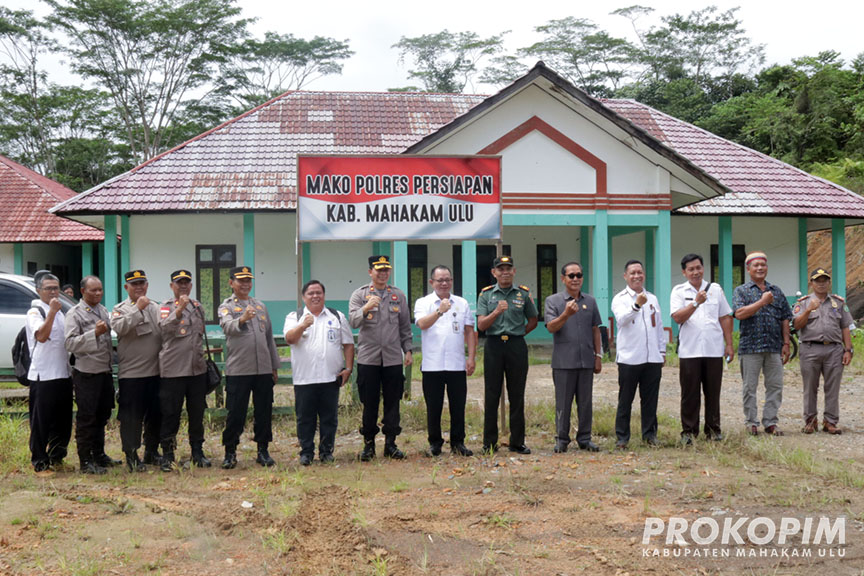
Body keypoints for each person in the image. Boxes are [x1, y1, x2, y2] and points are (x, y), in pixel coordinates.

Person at [349, 255, 413, 461]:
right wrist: (365, 308)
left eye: (386, 270)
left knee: (393, 401)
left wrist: (408, 350)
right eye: (379, 270)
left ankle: (391, 444)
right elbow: (352, 321)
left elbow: (404, 326)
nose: (383, 273)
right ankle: (368, 445)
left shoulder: (398, 295)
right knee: (370, 402)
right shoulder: (359, 295)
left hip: (393, 358)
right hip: (369, 359)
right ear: (370, 272)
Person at [283, 280, 354, 465]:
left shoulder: (337, 316)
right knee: (305, 418)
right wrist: (302, 325)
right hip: (304, 378)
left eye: (319, 293)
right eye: (311, 293)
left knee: (329, 418)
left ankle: (326, 451)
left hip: (330, 377)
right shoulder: (294, 316)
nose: (315, 296)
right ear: (303, 297)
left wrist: (348, 368)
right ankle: (306, 452)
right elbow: (290, 339)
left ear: (324, 295)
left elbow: (348, 344)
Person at [219, 266, 281, 469]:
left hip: (262, 369)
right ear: (231, 283)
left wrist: (274, 365)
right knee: (236, 412)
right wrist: (243, 319)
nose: (245, 284)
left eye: (248, 280)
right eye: (240, 280)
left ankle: (263, 450)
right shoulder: (226, 306)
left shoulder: (260, 306)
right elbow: (227, 328)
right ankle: (230, 452)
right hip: (239, 370)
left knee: (264, 411)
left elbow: (269, 338)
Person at [476, 255, 538, 455]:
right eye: (500, 269)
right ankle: (489, 443)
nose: (504, 272)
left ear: (514, 271)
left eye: (508, 268)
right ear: (494, 273)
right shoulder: (486, 295)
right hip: (493, 345)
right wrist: (496, 312)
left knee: (517, 394)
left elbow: (533, 320)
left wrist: (518, 333)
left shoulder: (522, 294)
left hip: (516, 346)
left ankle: (517, 442)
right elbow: (481, 325)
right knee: (492, 394)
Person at [670, 254, 734, 445]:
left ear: (703, 268)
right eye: (691, 269)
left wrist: (729, 344)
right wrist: (696, 302)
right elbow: (678, 318)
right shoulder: (679, 291)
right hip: (690, 351)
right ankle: (688, 432)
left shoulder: (715, 289)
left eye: (698, 267)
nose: (695, 272)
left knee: (713, 392)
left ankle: (713, 430)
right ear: (684, 272)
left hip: (713, 349)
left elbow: (725, 316)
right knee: (689, 394)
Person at [414, 265, 477, 457]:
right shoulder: (423, 302)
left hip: (456, 364)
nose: (444, 283)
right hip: (432, 365)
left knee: (458, 406)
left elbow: (469, 331)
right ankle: (435, 443)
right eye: (440, 280)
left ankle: (458, 442)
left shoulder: (462, 303)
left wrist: (472, 357)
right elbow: (422, 325)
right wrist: (440, 311)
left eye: (447, 280)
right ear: (432, 282)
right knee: (434, 407)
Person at [65, 275, 121, 474]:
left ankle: (99, 454)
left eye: (100, 289)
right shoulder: (75, 314)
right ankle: (85, 461)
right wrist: (93, 334)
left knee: (102, 415)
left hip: (104, 372)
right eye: (93, 290)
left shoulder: (103, 310)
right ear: (83, 292)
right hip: (87, 374)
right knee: (87, 418)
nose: (98, 293)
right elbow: (70, 343)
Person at [732, 252, 794, 436]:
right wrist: (762, 302)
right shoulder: (741, 291)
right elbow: (739, 314)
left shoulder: (777, 291)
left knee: (775, 386)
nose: (760, 268)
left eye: (763, 265)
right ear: (748, 269)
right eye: (756, 265)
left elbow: (785, 318)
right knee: (749, 387)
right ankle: (751, 422)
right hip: (750, 347)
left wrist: (786, 343)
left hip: (774, 347)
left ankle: (771, 422)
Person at [544, 261, 602, 453]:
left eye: (579, 275)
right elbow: (551, 327)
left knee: (585, 403)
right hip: (563, 362)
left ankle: (585, 438)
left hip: (586, 360)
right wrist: (566, 314)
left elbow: (596, 329)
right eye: (571, 276)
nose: (575, 279)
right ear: (563, 279)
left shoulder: (590, 301)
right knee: (563, 402)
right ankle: (562, 439)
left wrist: (598, 355)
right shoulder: (553, 301)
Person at [158, 270, 211, 471]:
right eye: (179, 283)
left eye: (187, 283)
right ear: (172, 285)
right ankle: (168, 455)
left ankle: (197, 452)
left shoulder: (197, 307)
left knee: (197, 414)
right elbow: (163, 329)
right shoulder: (164, 307)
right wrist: (178, 310)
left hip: (196, 370)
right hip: (173, 371)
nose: (183, 286)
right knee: (171, 414)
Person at [111, 269, 163, 471]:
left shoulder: (156, 308)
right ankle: (131, 456)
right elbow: (120, 328)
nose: (139, 287)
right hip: (132, 375)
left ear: (147, 285)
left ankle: (151, 451)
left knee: (156, 416)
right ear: (127, 287)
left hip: (156, 373)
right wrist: (137, 310)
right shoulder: (120, 309)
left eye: (142, 283)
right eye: (134, 284)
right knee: (132, 419)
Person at [611, 260, 665, 449]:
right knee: (625, 399)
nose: (637, 276)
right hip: (629, 358)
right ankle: (622, 438)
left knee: (650, 400)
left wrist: (662, 350)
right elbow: (621, 320)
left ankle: (650, 435)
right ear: (625, 276)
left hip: (652, 358)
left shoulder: (652, 298)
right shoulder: (620, 298)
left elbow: (658, 326)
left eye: (640, 272)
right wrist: (636, 305)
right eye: (632, 273)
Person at [792, 268, 853, 435]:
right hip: (810, 348)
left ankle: (831, 421)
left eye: (824, 280)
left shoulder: (838, 303)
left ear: (829, 282)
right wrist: (808, 310)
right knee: (810, 387)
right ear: (811, 283)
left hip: (834, 349)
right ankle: (810, 421)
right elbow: (796, 325)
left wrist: (848, 350)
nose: (821, 283)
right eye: (817, 280)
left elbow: (845, 327)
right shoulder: (803, 303)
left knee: (832, 387)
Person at [26, 272, 72, 472]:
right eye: (49, 288)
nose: (54, 292)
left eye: (56, 288)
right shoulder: (35, 312)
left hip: (63, 373)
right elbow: (42, 336)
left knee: (63, 420)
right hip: (43, 376)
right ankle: (39, 459)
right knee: (41, 420)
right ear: (39, 291)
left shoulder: (61, 312)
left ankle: (57, 455)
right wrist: (52, 312)